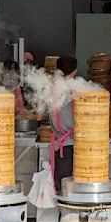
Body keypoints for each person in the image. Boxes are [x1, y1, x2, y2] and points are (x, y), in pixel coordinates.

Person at [48, 55, 78, 192]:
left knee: (62, 186)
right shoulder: (78, 89)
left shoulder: (50, 89)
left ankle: (63, 212)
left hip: (61, 145)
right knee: (78, 186)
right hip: (80, 145)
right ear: (75, 71)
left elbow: (37, 116)